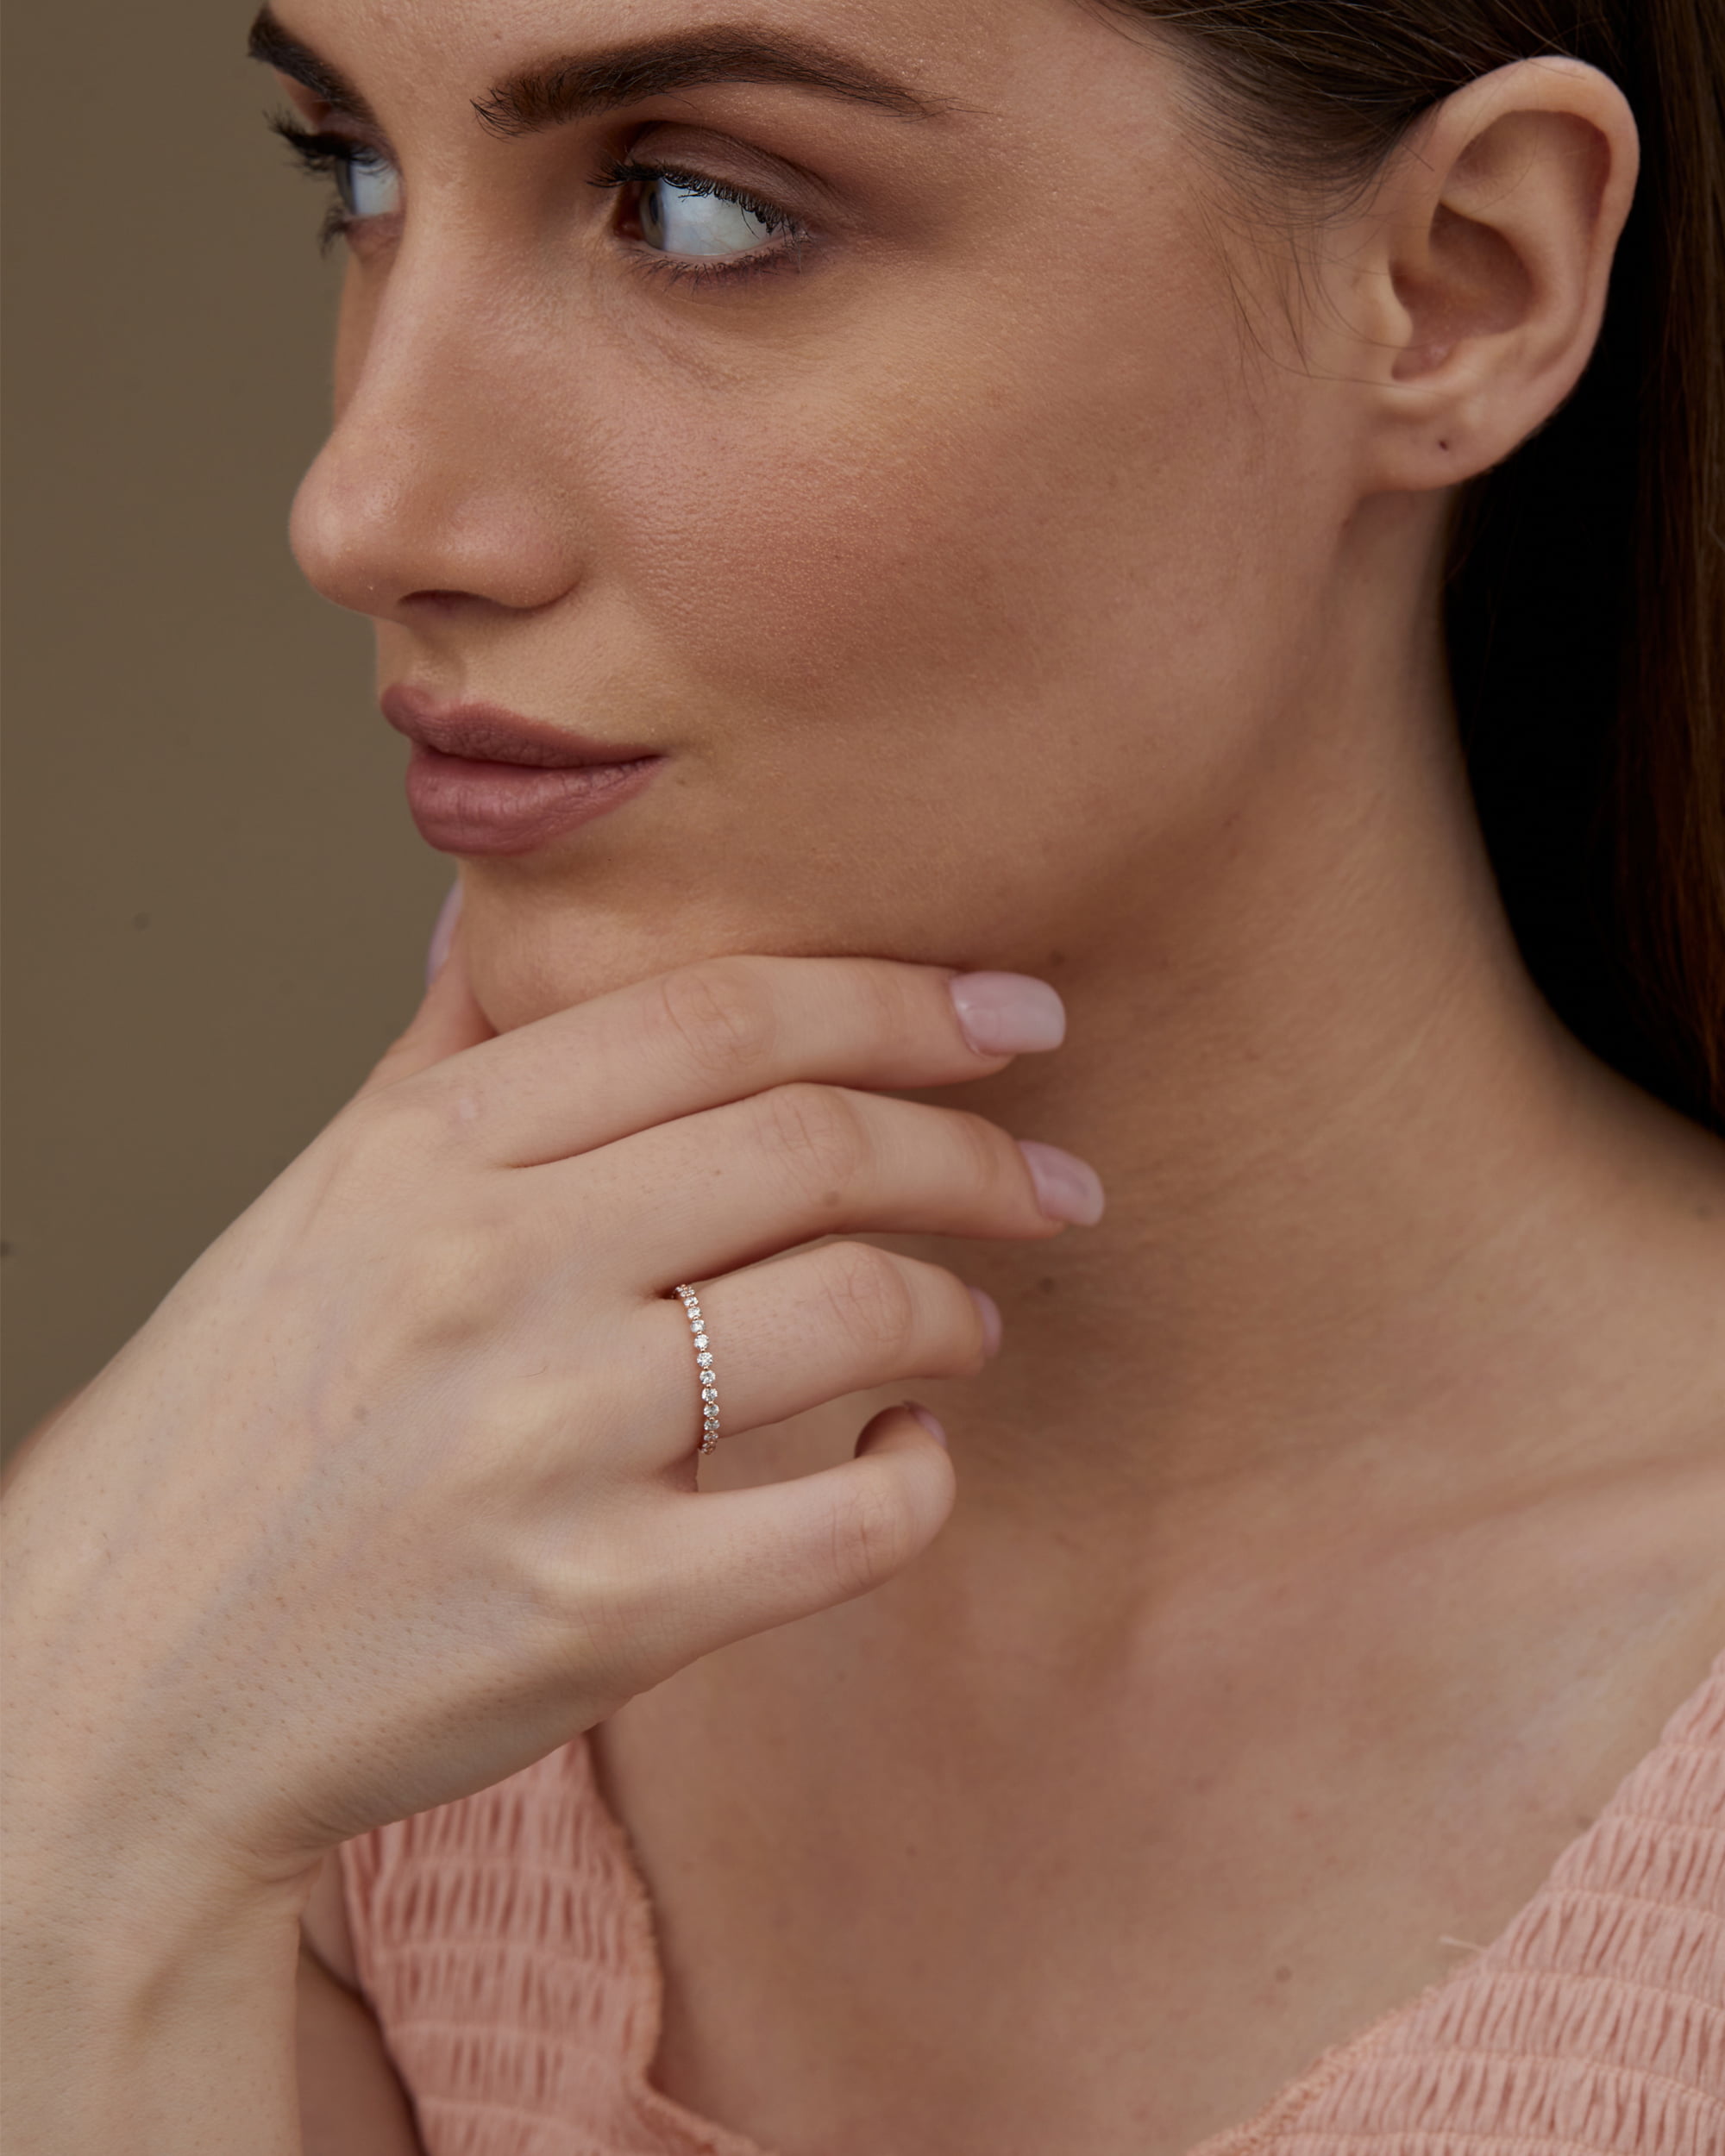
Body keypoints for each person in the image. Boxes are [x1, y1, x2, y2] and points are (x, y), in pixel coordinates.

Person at [6, 0, 1722, 2149]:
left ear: (1461, 284)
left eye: (696, 211)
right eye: (355, 175)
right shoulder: (261, 1609)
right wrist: (83, 1851)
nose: (364, 506)